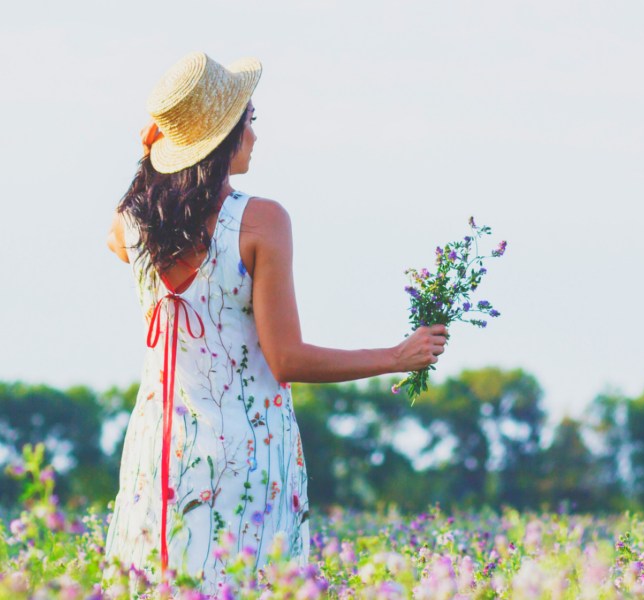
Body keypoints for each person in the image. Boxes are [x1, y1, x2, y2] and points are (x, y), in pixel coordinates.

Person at [103, 51, 447, 595]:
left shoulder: (135, 226)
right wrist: (396, 356)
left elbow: (118, 229)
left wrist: (151, 156)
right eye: (250, 121)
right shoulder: (260, 220)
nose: (256, 136)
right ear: (225, 138)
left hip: (158, 456)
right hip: (247, 457)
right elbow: (286, 359)